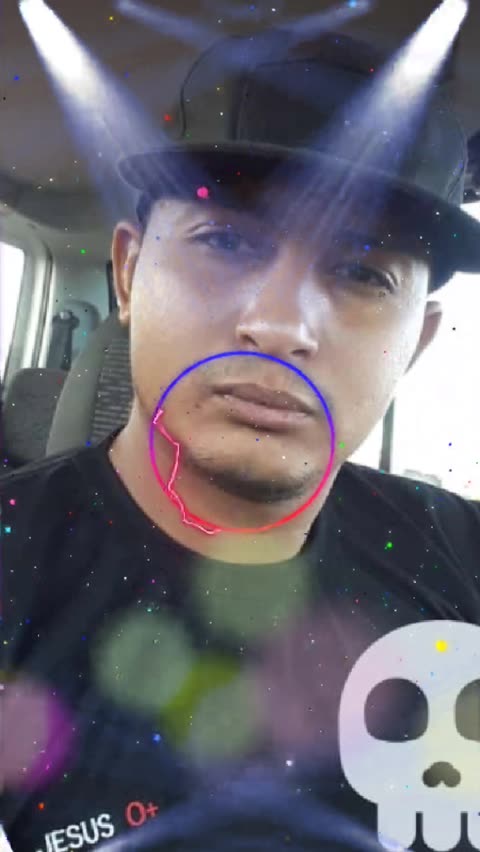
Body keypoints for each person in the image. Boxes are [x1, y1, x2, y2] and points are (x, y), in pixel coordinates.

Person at [2, 26, 480, 852]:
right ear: (128, 274)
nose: (280, 324)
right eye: (226, 241)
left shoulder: (464, 552)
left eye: (362, 272)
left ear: (420, 342)